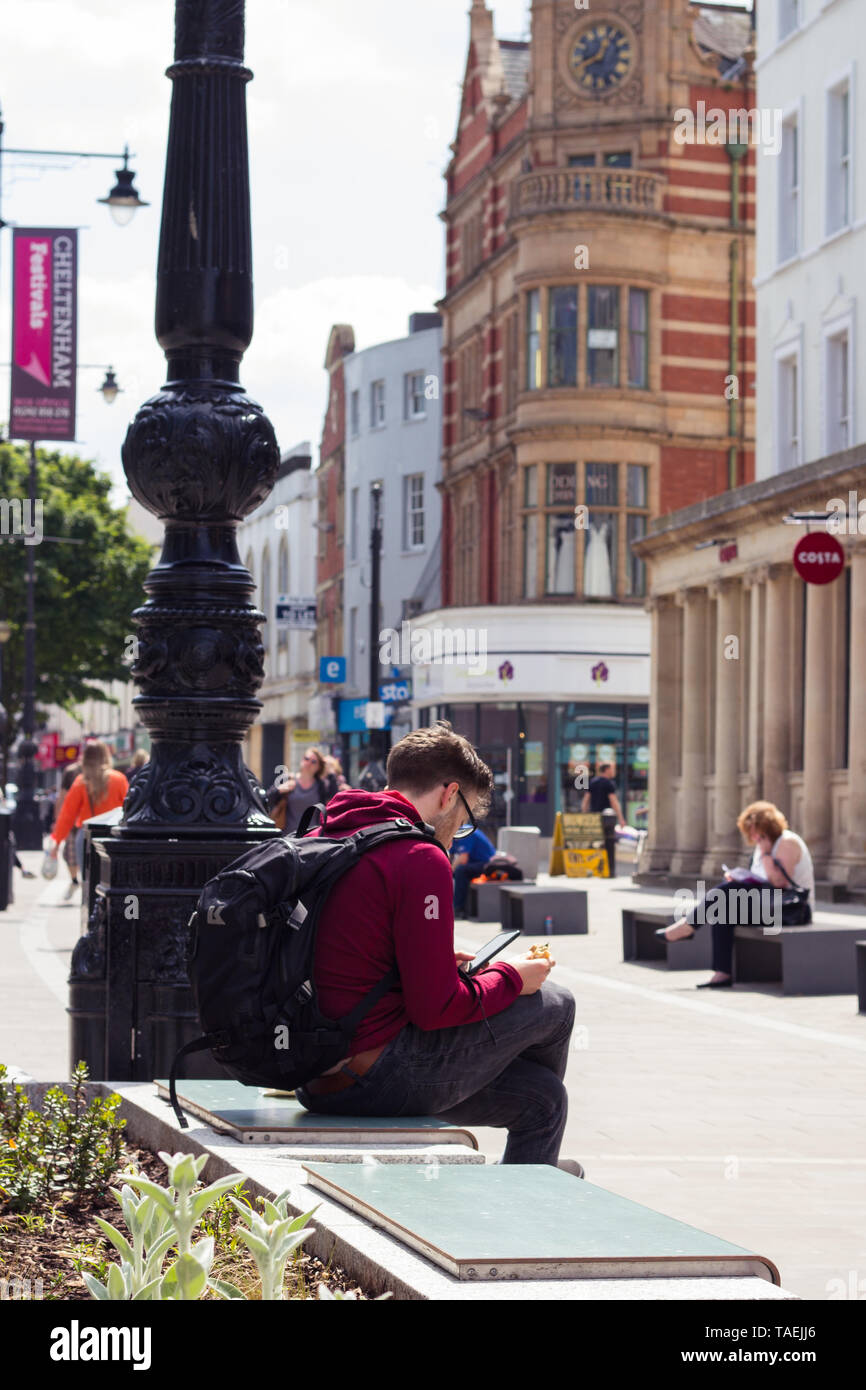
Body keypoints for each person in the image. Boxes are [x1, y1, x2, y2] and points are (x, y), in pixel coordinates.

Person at [294, 721, 581, 1172]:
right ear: (449, 794)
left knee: (543, 1099)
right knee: (557, 1003)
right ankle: (533, 1186)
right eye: (464, 821)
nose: (457, 832)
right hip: (372, 1076)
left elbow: (352, 950)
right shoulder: (419, 856)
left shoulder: (329, 831)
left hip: (312, 1072)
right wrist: (510, 978)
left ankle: (533, 1177)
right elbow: (435, 1009)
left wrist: (436, 962)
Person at [661, 800, 814, 989]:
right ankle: (722, 973)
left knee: (725, 893)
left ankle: (688, 926)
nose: (751, 836)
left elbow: (780, 883)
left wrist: (766, 854)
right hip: (770, 906)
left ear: (766, 827)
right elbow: (759, 881)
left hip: (792, 910)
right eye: (750, 831)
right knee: (722, 909)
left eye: (754, 830)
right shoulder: (761, 847)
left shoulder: (787, 842)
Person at [48, 741, 129, 878]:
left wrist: (57, 841)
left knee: (88, 882)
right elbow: (129, 809)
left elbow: (67, 814)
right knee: (112, 879)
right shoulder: (118, 779)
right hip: (113, 837)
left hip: (87, 837)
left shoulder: (81, 782)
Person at [267, 746, 332, 835]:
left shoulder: (322, 786)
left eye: (313, 762)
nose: (308, 763)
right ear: (302, 760)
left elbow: (330, 807)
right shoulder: (288, 779)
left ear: (318, 767)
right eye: (306, 759)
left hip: (313, 837)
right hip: (288, 836)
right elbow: (266, 799)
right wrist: (279, 790)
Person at [451, 820, 497, 917]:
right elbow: (448, 856)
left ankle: (459, 909)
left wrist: (449, 870)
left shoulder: (466, 831)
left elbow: (463, 858)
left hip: (488, 864)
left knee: (460, 871)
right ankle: (450, 905)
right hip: (473, 863)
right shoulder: (453, 835)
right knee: (456, 872)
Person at [53, 761, 83, 900]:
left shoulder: (74, 774)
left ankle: (78, 881)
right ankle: (77, 881)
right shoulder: (72, 772)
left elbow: (62, 797)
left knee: (72, 854)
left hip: (77, 820)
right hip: (81, 820)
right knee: (71, 854)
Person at [582, 761, 626, 828]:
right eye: (613, 769)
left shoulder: (593, 782)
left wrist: (584, 815)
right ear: (607, 770)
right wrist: (621, 818)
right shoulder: (609, 783)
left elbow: (586, 800)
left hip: (594, 817)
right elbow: (614, 802)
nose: (614, 771)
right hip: (607, 818)